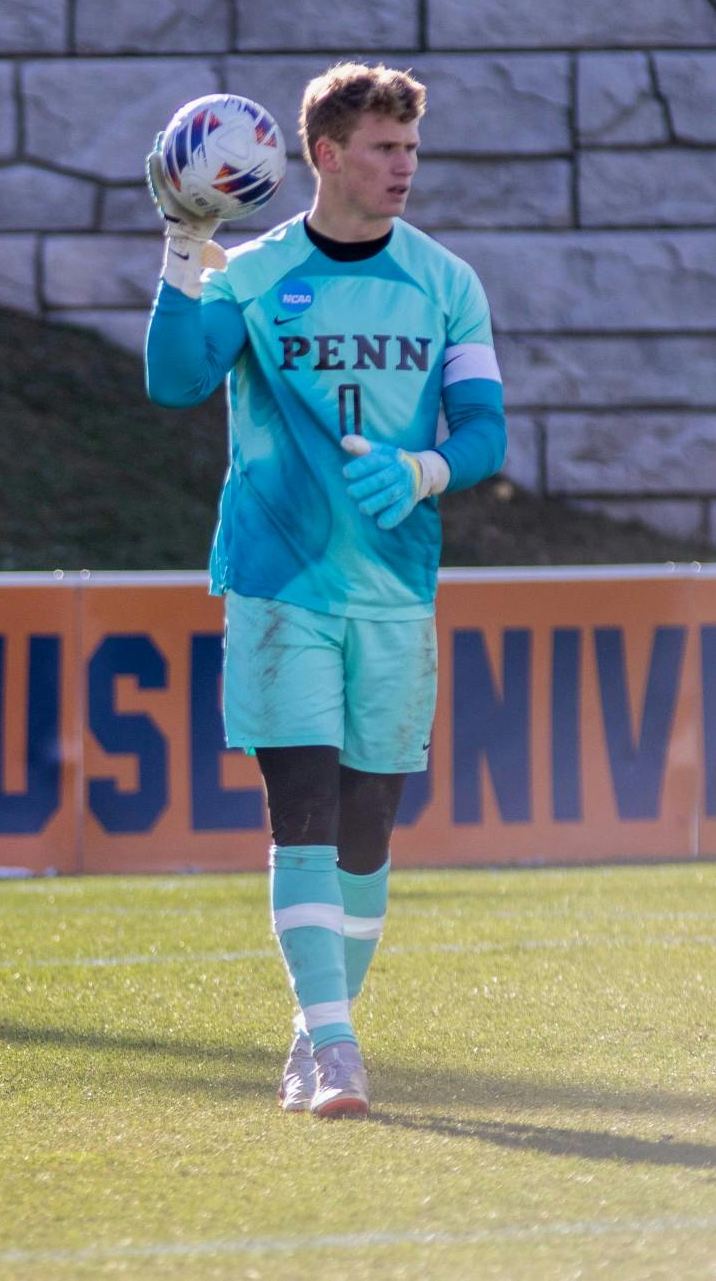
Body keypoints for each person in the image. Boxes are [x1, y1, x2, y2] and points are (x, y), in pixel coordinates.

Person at [141, 63, 507, 1119]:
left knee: (367, 829)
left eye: (411, 148)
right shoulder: (253, 275)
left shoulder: (446, 283)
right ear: (326, 154)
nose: (404, 166)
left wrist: (422, 470)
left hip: (394, 591)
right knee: (301, 811)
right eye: (385, 148)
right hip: (280, 584)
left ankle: (316, 1025)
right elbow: (173, 381)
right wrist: (182, 247)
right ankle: (339, 1048)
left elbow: (485, 432)